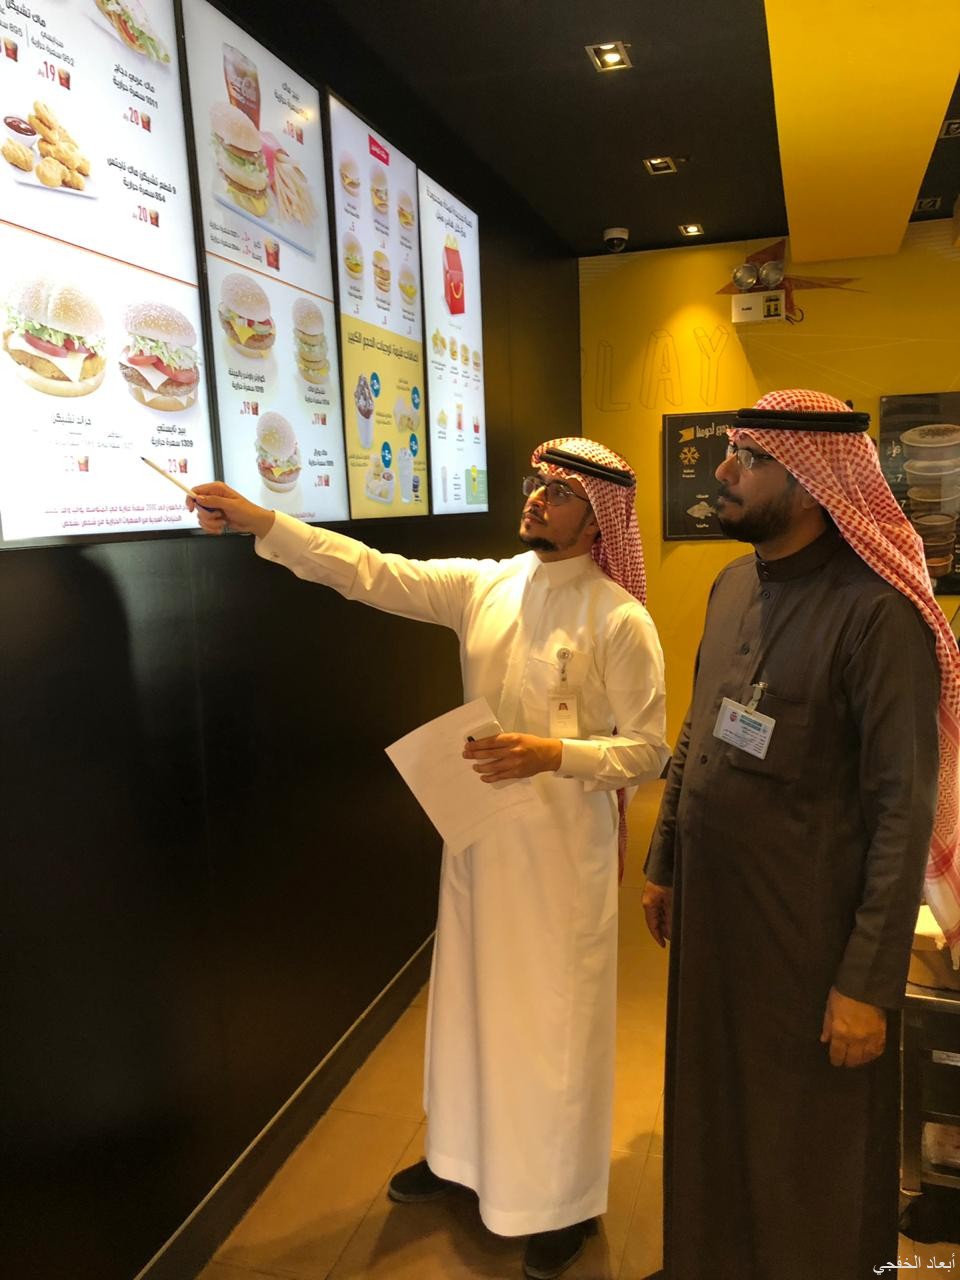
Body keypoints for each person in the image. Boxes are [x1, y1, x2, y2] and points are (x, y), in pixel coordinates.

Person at [189, 437, 669, 1280]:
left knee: (551, 1028)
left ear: (600, 520)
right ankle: (458, 1160)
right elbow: (372, 572)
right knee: (468, 1007)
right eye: (535, 482)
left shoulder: (620, 619)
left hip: (562, 858)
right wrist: (265, 522)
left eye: (559, 491)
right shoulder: (487, 586)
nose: (536, 497)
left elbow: (649, 751)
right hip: (479, 837)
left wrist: (554, 755)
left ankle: (560, 1205)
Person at [641, 388, 960, 1280]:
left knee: (805, 1145)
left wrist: (867, 984)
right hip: (715, 920)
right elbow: (699, 732)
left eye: (749, 458)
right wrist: (666, 860)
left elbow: (902, 809)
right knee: (709, 1105)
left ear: (814, 483)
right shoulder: (732, 585)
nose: (724, 472)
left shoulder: (877, 615)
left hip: (809, 940)